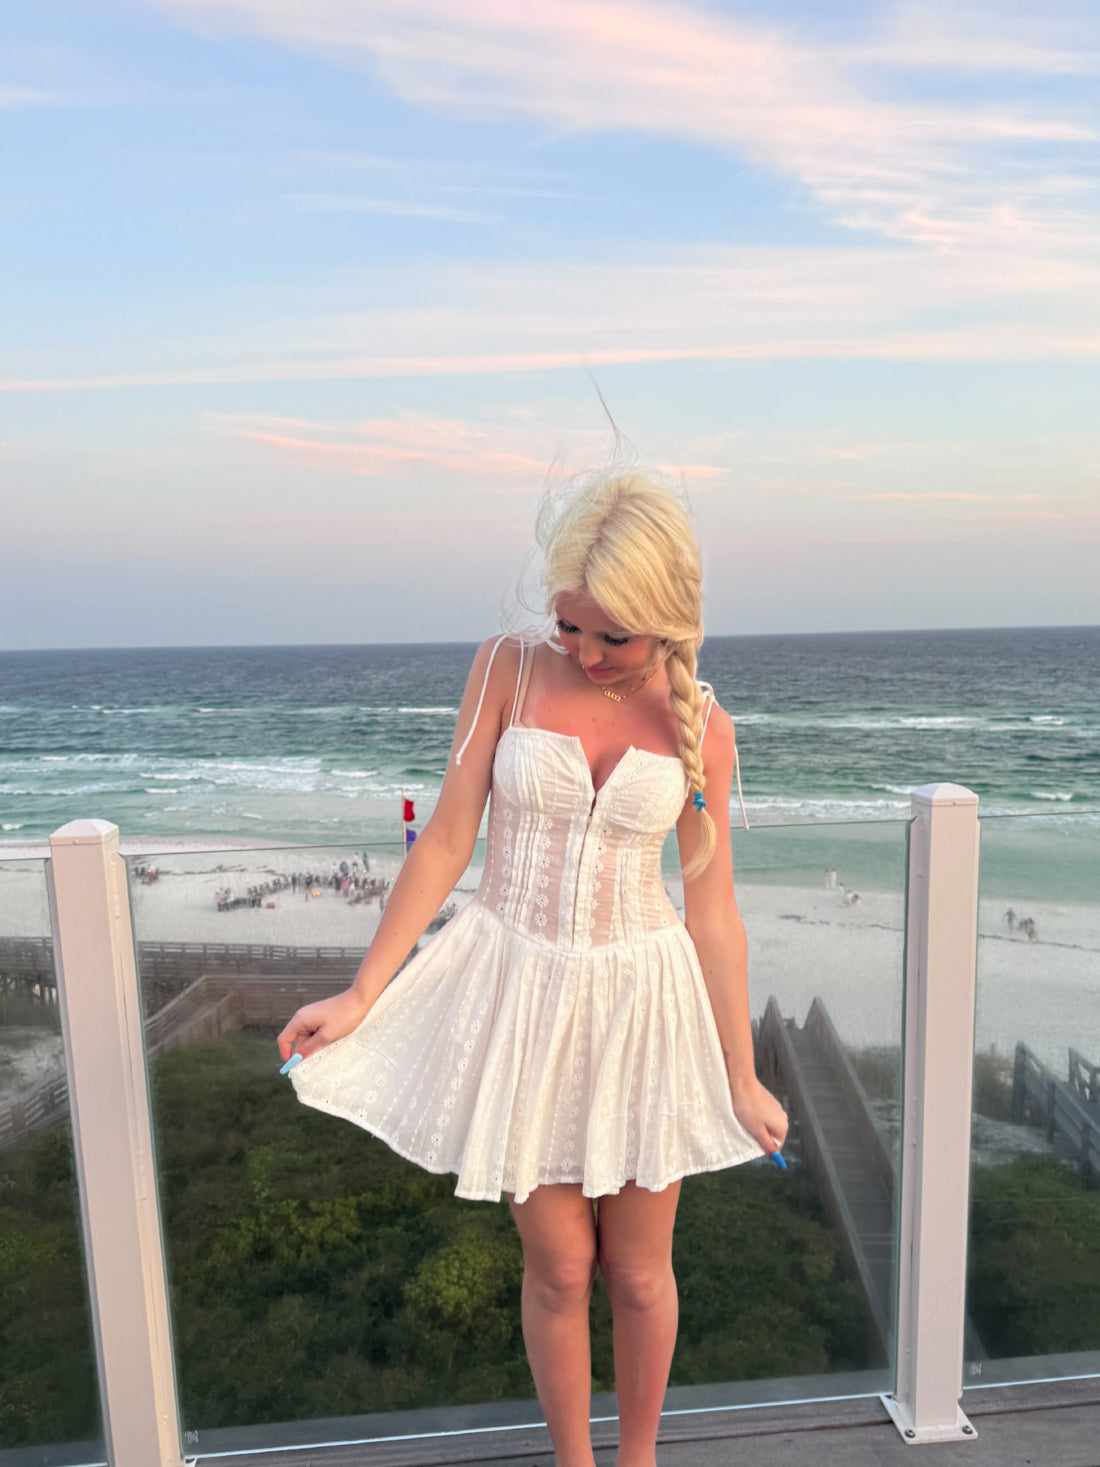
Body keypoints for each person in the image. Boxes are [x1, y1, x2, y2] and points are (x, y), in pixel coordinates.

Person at [278, 472, 787, 1467]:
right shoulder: (504, 669)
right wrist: (363, 989)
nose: (586, 655)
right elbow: (445, 840)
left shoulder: (705, 729)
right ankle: (573, 1460)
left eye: (613, 638)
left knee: (637, 1276)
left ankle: (634, 1457)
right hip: (514, 994)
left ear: (669, 622)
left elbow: (711, 914)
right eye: (569, 628)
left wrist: (739, 1073)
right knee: (559, 1268)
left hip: (641, 1006)